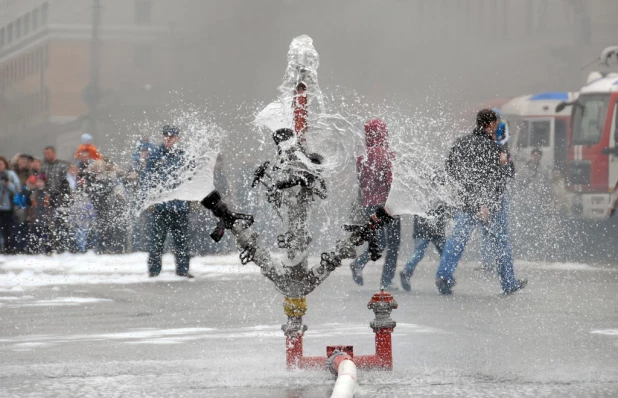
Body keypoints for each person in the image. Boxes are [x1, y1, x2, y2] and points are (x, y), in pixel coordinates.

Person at [435, 109, 527, 295]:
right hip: (491, 202)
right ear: (491, 124)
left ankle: (444, 275)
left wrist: (462, 193)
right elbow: (505, 175)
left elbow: (450, 169)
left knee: (457, 239)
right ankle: (508, 283)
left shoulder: (461, 143)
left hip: (468, 201)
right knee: (500, 241)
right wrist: (504, 163)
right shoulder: (494, 148)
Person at [349, 119, 401, 289]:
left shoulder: (361, 156)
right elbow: (391, 181)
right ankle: (386, 281)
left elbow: (362, 182)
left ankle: (359, 262)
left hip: (369, 204)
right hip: (388, 205)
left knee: (378, 242)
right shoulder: (388, 155)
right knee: (392, 244)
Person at [144, 125, 194, 278]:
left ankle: (183, 270)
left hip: (180, 206)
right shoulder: (155, 155)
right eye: (166, 136)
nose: (168, 139)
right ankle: (154, 271)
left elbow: (191, 178)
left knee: (181, 241)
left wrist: (190, 199)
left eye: (172, 136)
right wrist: (150, 200)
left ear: (177, 138)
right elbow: (147, 179)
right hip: (161, 206)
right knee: (157, 241)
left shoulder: (183, 155)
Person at [400, 203, 449, 291]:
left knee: (419, 252)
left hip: (421, 224)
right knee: (445, 253)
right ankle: (443, 279)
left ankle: (406, 272)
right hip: (436, 225)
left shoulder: (419, 192)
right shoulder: (439, 192)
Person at [41, 146, 71, 253]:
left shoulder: (62, 165)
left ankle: (63, 247)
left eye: (48, 153)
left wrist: (59, 193)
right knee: (48, 223)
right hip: (48, 197)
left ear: (54, 153)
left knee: (61, 222)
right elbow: (42, 180)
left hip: (61, 197)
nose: (46, 156)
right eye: (45, 154)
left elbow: (65, 182)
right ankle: (49, 247)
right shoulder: (44, 166)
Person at [0, 157, 20, 254]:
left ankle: (10, 248)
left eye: (1, 164)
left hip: (8, 207)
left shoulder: (10, 174)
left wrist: (8, 184)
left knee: (9, 229)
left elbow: (17, 189)